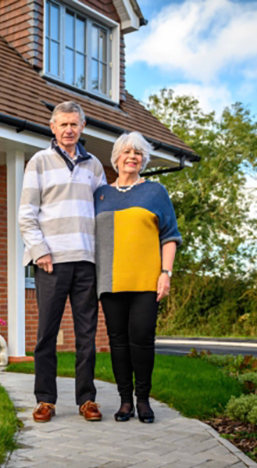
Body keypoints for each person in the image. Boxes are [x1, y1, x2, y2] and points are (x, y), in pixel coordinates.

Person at [19, 101, 106, 423]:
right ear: (52, 128)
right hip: (50, 262)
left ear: (82, 127)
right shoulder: (39, 163)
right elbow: (26, 213)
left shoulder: (94, 166)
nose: (69, 130)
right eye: (63, 124)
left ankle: (87, 400)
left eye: (74, 124)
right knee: (47, 334)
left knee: (87, 334)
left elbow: (104, 215)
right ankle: (45, 400)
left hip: (86, 260)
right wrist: (40, 250)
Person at [94, 132, 181, 423]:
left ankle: (143, 400)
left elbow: (169, 236)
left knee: (141, 339)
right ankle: (124, 402)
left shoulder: (155, 192)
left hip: (146, 280)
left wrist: (165, 274)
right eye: (126, 152)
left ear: (143, 160)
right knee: (117, 342)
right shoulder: (101, 195)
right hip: (110, 280)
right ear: (116, 158)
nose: (132, 157)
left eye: (138, 153)